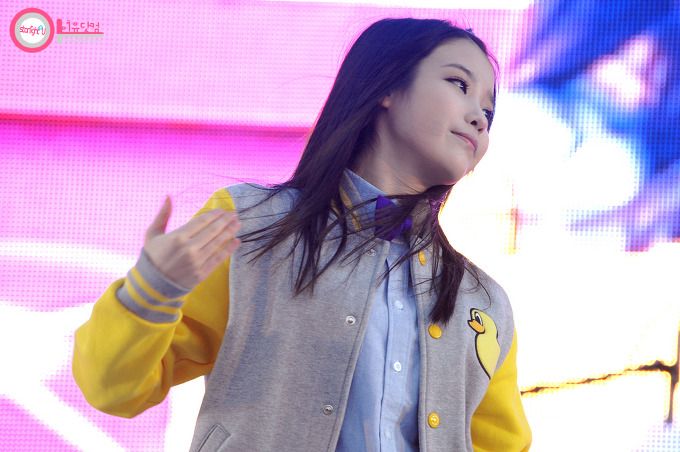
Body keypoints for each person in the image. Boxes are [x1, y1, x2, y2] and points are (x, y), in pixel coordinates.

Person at [73, 17, 532, 451]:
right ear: (386, 86)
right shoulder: (251, 225)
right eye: (459, 84)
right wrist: (152, 292)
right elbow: (113, 389)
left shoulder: (484, 302)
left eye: (489, 110)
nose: (480, 117)